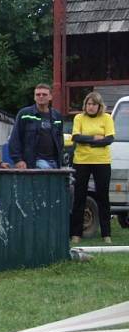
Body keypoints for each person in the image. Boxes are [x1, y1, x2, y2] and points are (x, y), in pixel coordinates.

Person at [70, 91, 115, 244]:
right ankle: (76, 234)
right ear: (85, 105)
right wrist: (95, 139)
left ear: (99, 106)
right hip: (81, 161)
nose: (90, 107)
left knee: (103, 197)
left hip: (102, 162)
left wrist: (87, 141)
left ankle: (106, 234)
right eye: (88, 104)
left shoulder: (107, 118)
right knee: (79, 197)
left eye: (94, 104)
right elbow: (76, 137)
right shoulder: (79, 118)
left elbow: (109, 139)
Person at [8, 84, 64, 169]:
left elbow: (60, 139)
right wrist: (18, 160)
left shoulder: (57, 116)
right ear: (34, 97)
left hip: (55, 161)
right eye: (38, 94)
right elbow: (15, 138)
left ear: (50, 97)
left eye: (44, 94)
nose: (41, 96)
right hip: (34, 161)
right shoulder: (25, 114)